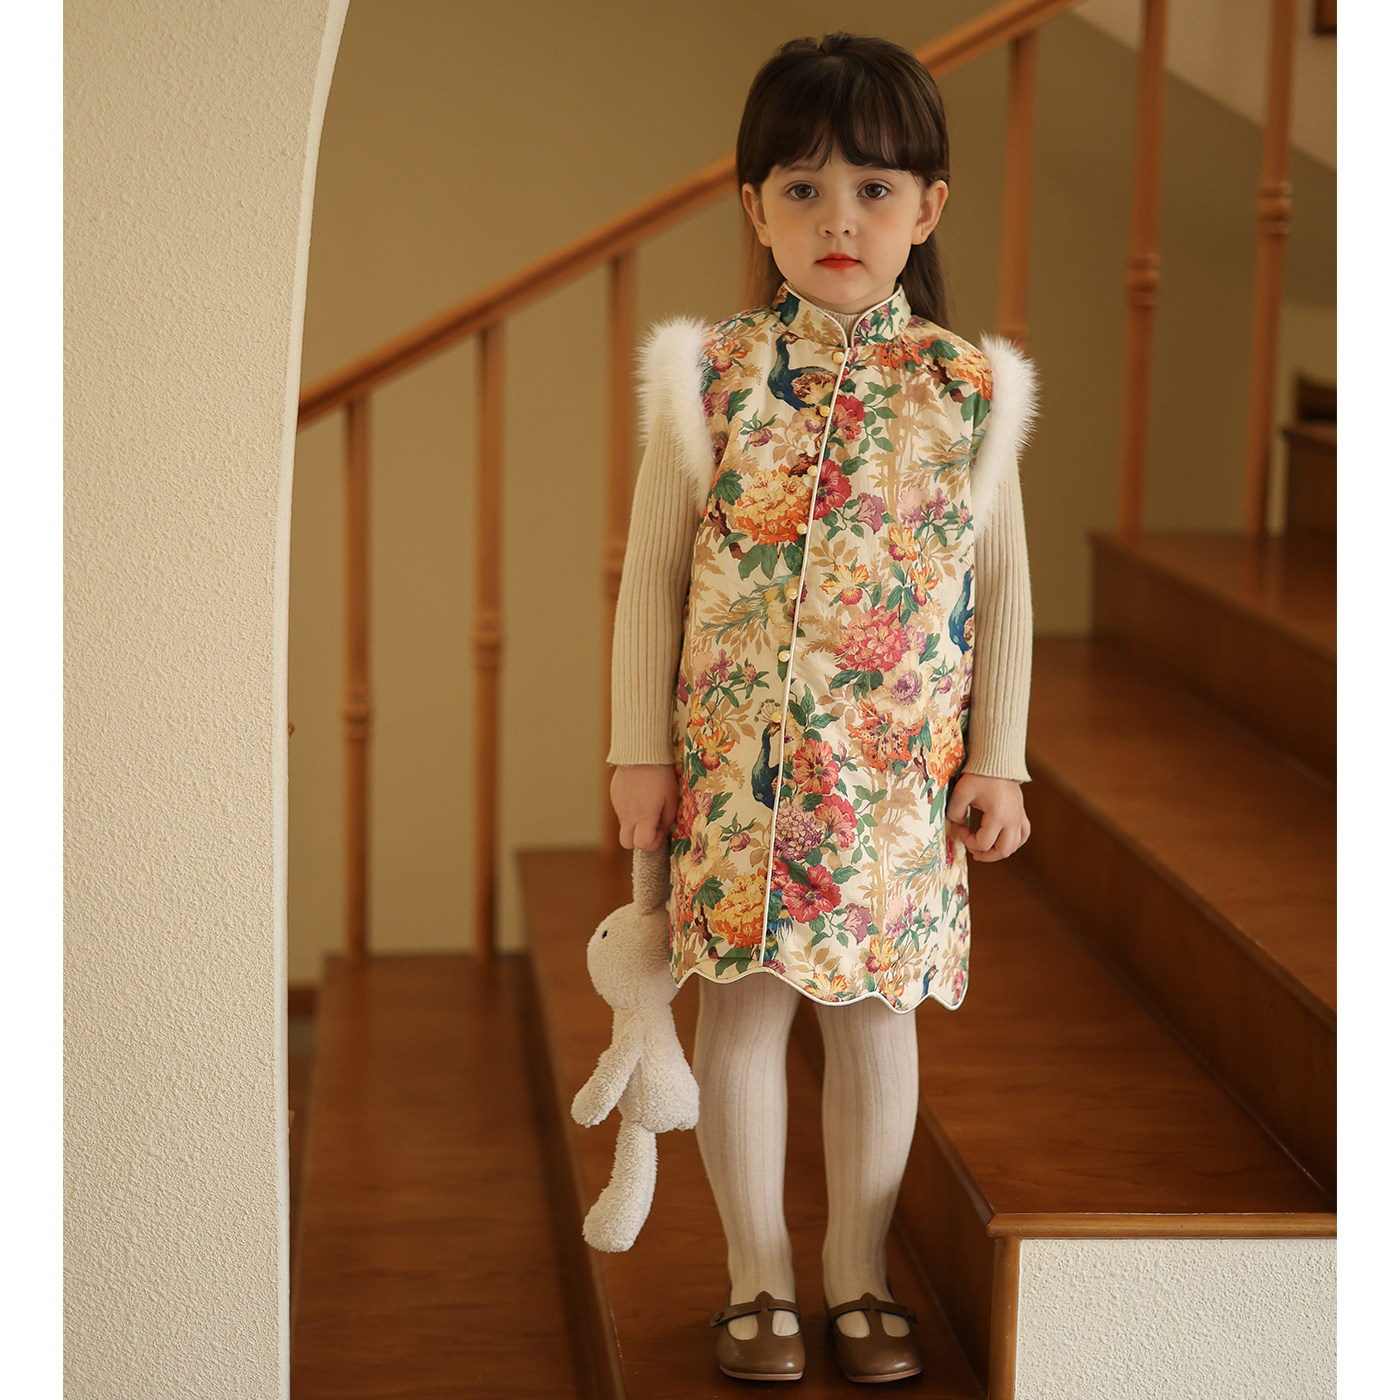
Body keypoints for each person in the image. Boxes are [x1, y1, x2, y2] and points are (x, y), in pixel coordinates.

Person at [606, 31, 1038, 1386]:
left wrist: (1002, 759)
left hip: (897, 783)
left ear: (928, 208)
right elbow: (652, 580)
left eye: (872, 188)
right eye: (802, 189)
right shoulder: (709, 379)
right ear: (756, 209)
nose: (838, 219)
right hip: (738, 772)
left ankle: (857, 1272)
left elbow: (1004, 593)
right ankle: (757, 1279)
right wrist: (637, 751)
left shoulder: (969, 393)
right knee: (742, 1017)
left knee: (874, 1021)